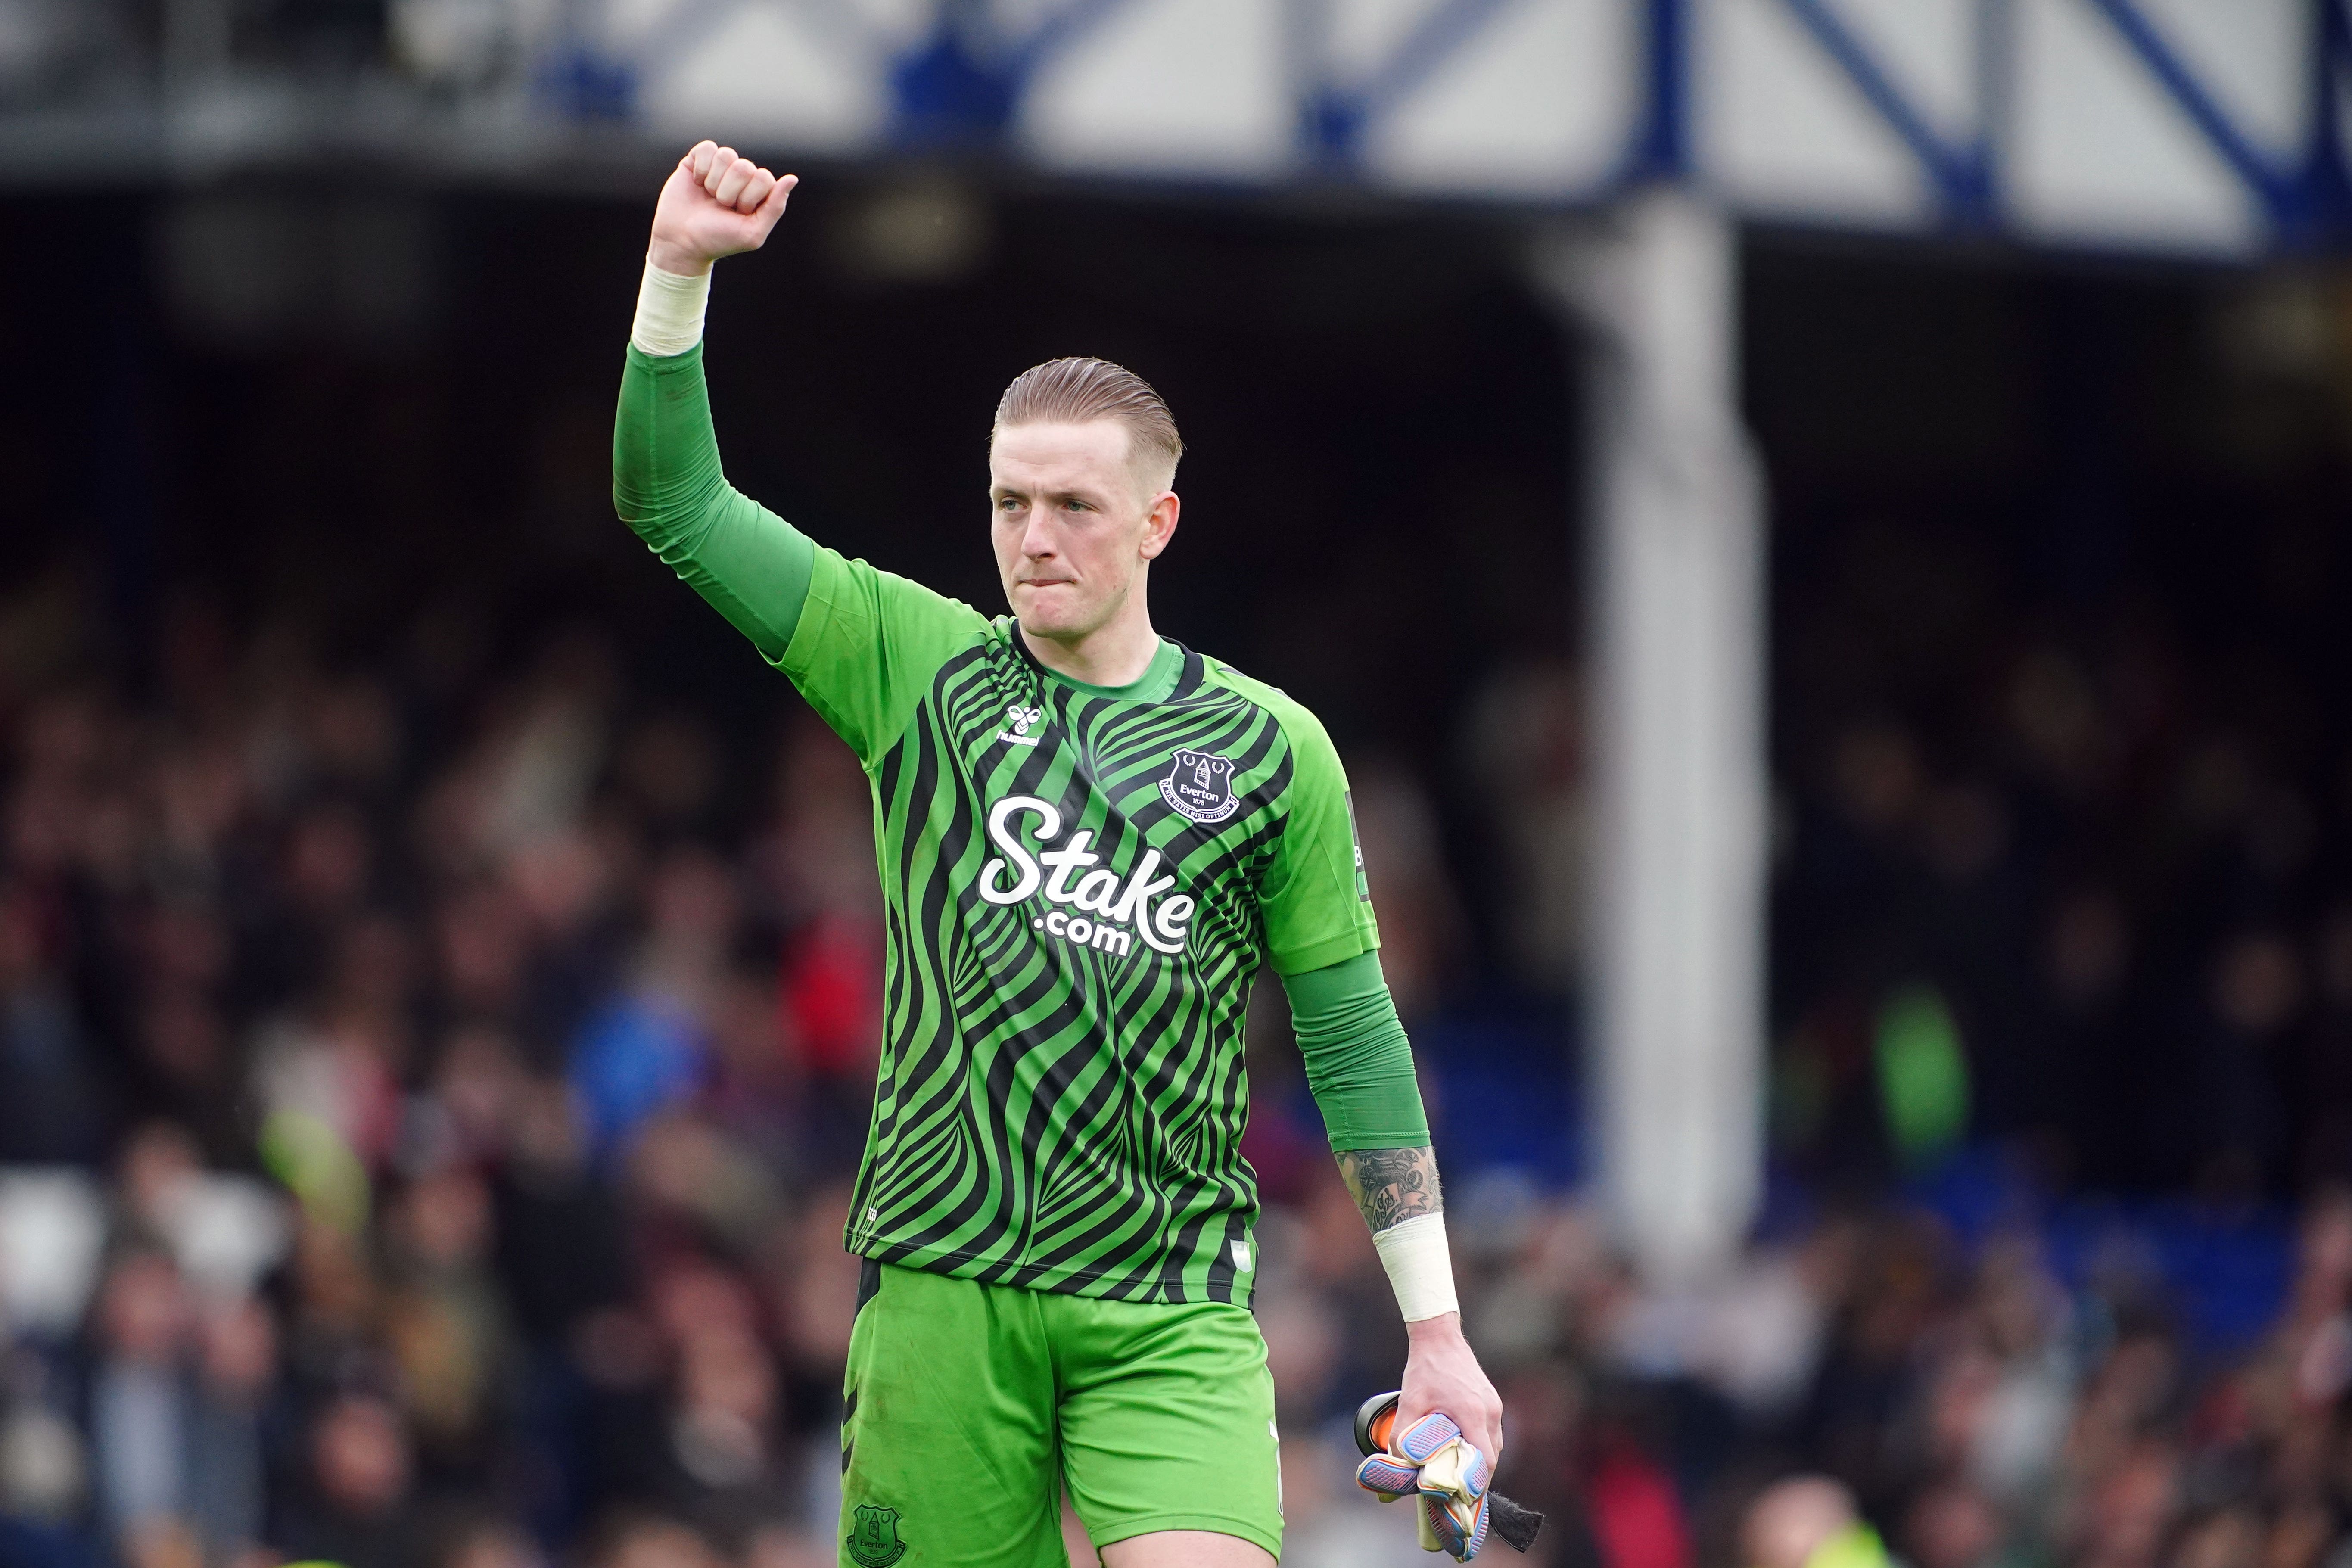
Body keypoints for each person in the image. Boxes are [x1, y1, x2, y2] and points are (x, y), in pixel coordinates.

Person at [611, 140, 1503, 1568]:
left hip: (1168, 1306)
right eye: (1009, 502)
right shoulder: (913, 664)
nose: (1033, 538)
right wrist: (676, 276)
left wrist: (1437, 1331)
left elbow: (1349, 1035)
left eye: (1074, 506)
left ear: (1155, 522)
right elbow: (676, 507)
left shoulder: (1271, 752)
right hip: (941, 1298)